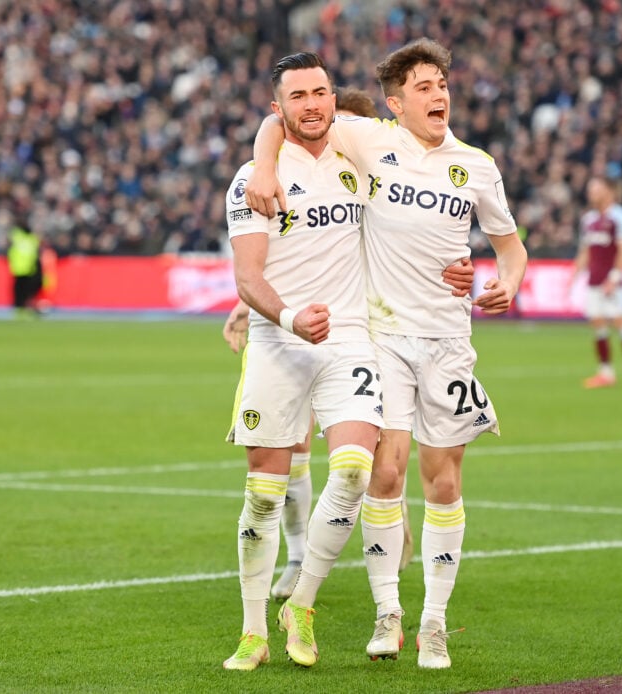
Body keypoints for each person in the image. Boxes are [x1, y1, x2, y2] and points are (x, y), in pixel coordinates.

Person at [247, 38, 527, 669]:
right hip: (384, 340)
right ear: (396, 105)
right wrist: (264, 169)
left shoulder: (476, 166)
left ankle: (434, 621)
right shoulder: (370, 140)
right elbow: (280, 116)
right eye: (423, 87)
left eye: (442, 85)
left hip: (450, 341)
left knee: (445, 480)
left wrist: (504, 280)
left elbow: (511, 248)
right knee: (386, 473)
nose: (438, 95)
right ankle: (388, 614)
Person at [220, 86, 419, 605]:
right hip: (305, 329)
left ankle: (391, 526)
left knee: (379, 463)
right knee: (295, 451)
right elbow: (274, 125)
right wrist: (264, 161)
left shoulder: (376, 165)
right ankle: (297, 557)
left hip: (374, 328)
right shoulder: (296, 159)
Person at [567, 175, 622, 390]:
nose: (590, 193)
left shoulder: (621, 217)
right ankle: (606, 372)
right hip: (594, 280)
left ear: (608, 191)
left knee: (620, 322)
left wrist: (615, 278)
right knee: (598, 324)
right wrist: (574, 274)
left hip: (611, 281)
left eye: (595, 188)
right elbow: (586, 250)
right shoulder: (589, 219)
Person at [6, 221, 42, 318]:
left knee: (24, 290)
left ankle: (24, 308)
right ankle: (20, 308)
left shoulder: (27, 238)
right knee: (20, 289)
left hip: (26, 268)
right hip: (21, 268)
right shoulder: (20, 237)